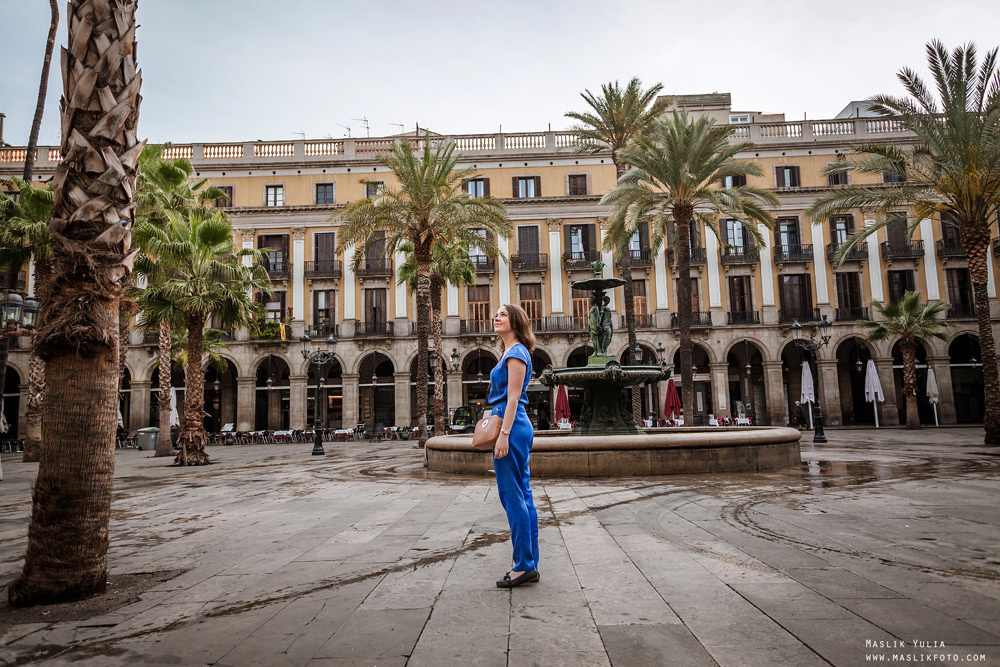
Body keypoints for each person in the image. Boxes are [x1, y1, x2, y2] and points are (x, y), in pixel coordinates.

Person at [488, 304, 540, 588]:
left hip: (511, 424)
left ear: (516, 322)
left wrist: (504, 434)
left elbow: (512, 397)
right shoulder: (512, 352)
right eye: (496, 314)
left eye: (503, 315)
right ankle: (529, 563)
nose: (496, 317)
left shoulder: (516, 352)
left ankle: (522, 565)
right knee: (524, 495)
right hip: (514, 425)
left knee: (512, 497)